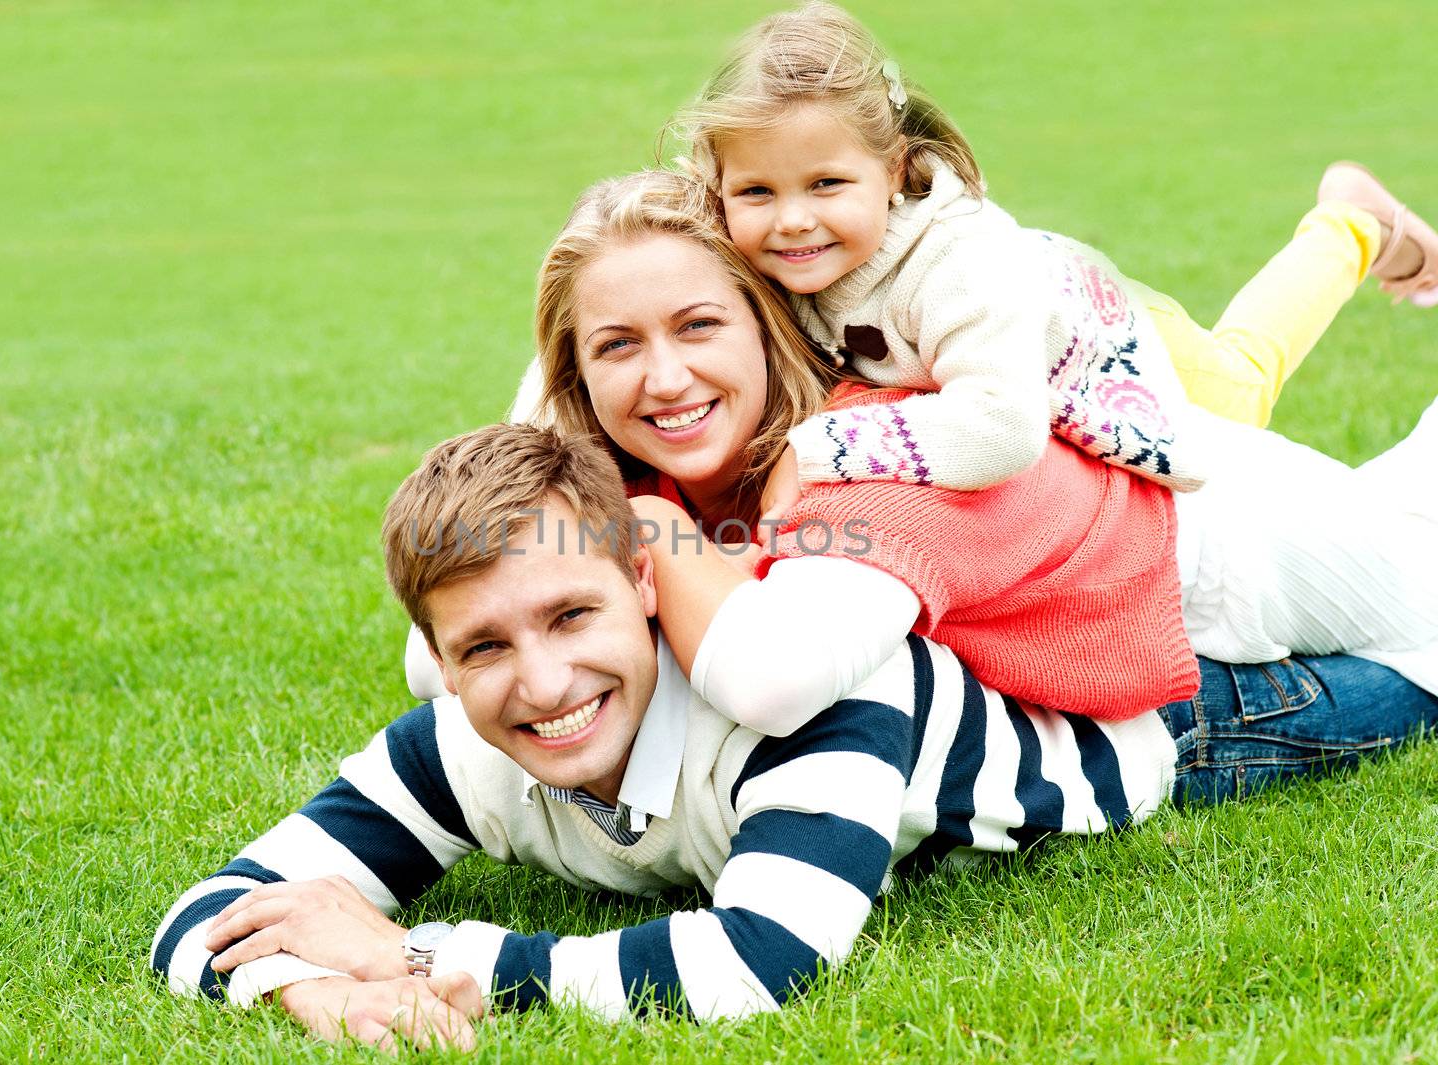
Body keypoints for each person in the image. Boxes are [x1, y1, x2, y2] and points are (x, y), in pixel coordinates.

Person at [154, 422, 1438, 1051]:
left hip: (1160, 729)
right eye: (483, 646)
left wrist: (425, 950)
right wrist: (316, 988)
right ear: (437, 656)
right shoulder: (462, 740)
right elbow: (208, 911)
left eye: (570, 616)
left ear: (646, 590)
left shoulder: (798, 702)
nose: (539, 683)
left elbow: (755, 964)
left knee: (1423, 659)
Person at [583, 2, 1438, 724]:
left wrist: (816, 451)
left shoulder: (958, 266)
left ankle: (1353, 224)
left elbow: (1002, 428)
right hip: (1012, 347)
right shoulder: (770, 253)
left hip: (1096, 361)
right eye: (759, 194)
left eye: (825, 187)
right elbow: (611, 291)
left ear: (896, 171)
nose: (792, 221)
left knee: (1238, 396)